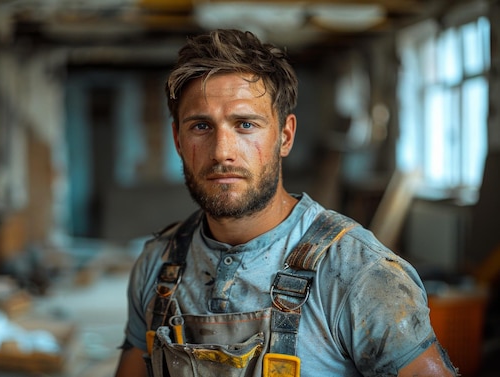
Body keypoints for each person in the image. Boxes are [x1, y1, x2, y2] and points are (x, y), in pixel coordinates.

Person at [115, 29, 457, 377]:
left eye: (245, 124)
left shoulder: (358, 273)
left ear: (285, 136)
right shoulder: (157, 266)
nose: (222, 152)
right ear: (177, 139)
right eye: (201, 126)